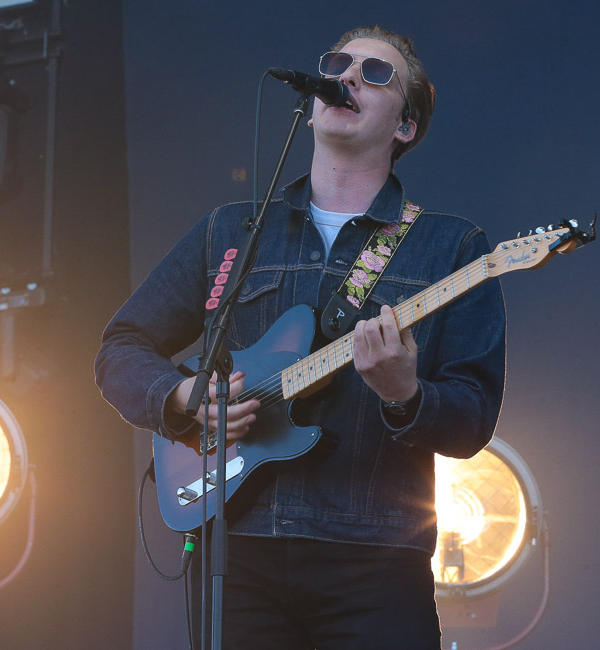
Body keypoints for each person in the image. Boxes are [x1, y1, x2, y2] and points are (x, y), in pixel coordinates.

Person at [95, 25, 506, 649]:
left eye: (376, 74)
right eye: (338, 64)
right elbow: (121, 346)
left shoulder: (451, 248)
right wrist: (182, 399)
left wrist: (405, 395)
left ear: (405, 127)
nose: (346, 77)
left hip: (376, 558)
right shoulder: (231, 231)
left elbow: (472, 420)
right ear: (310, 108)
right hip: (238, 551)